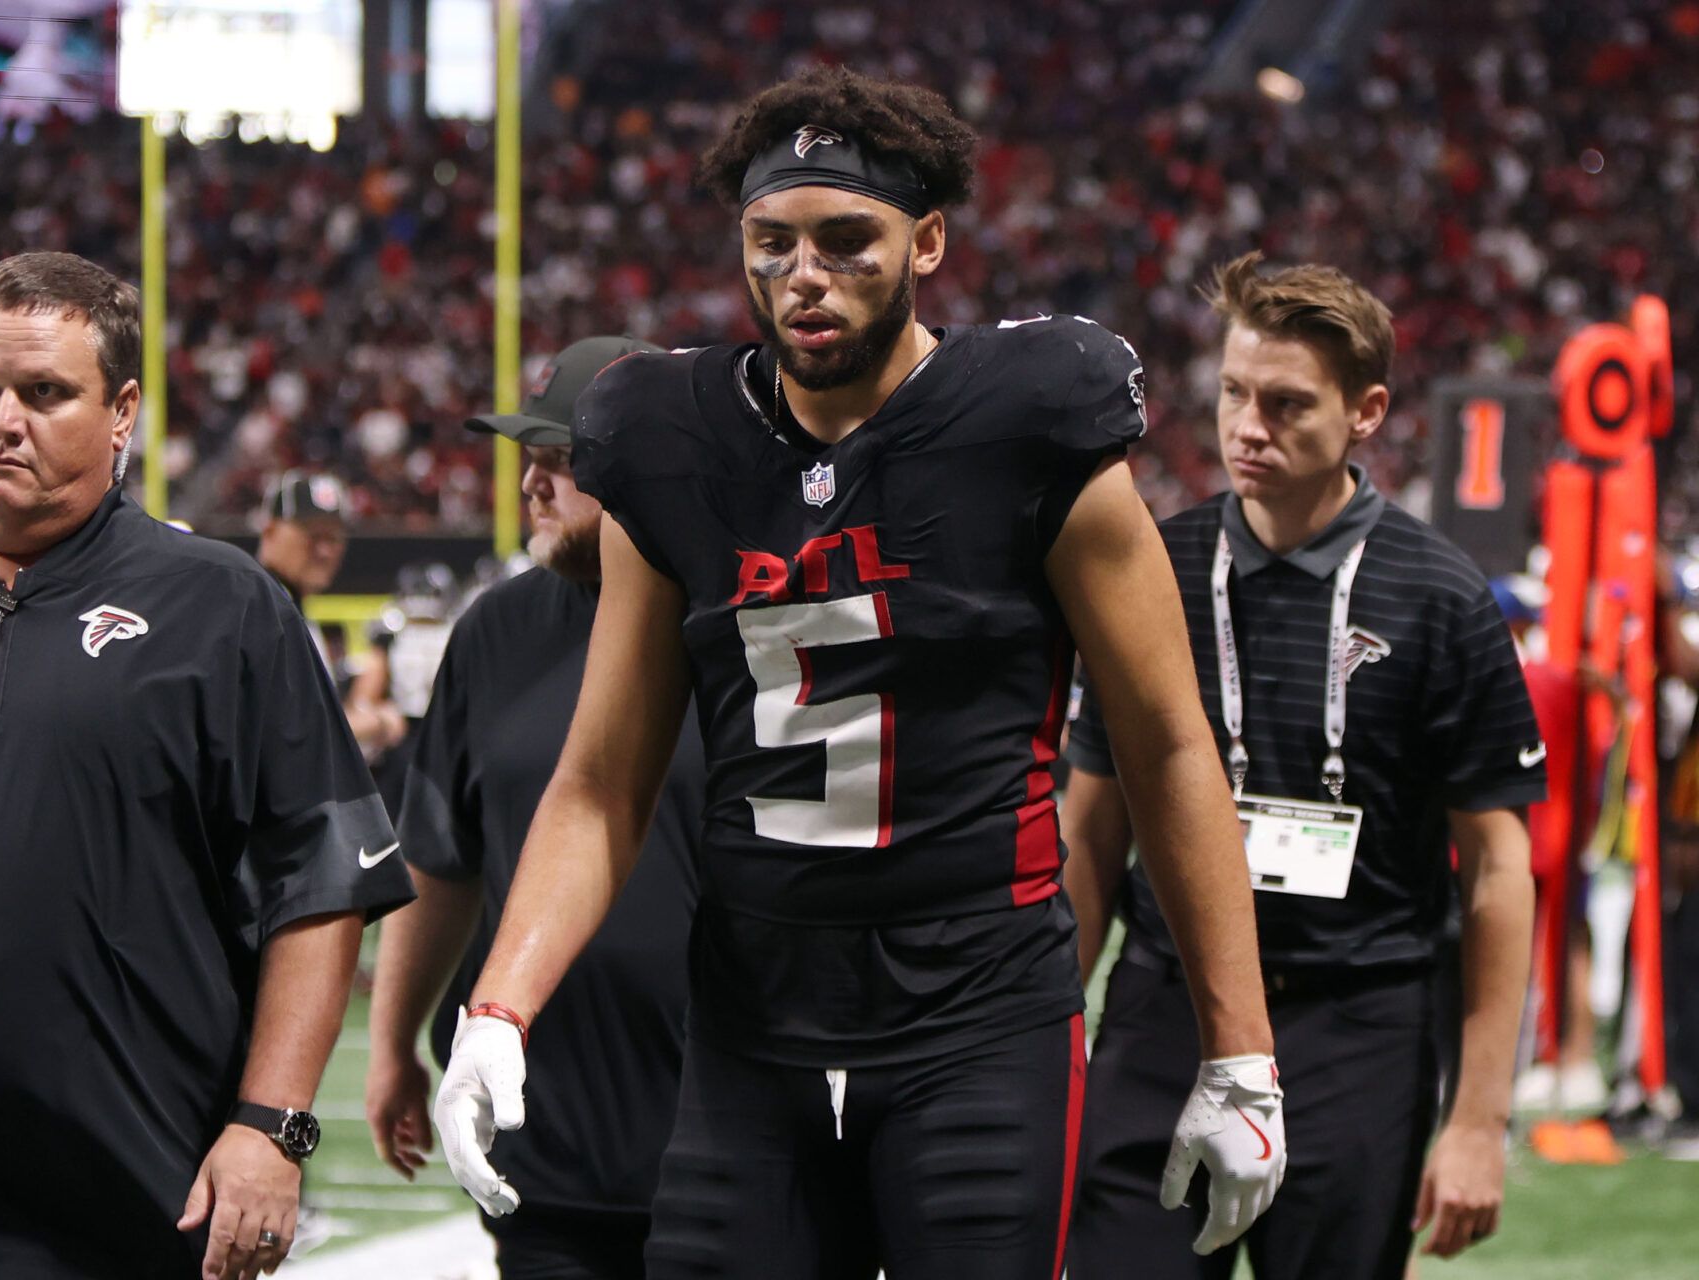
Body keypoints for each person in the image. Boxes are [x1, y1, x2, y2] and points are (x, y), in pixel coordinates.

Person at [431, 68, 1285, 1280]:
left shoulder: (1031, 422)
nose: (804, 276)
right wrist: (500, 1006)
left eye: (847, 240)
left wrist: (1238, 1047)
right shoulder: (668, 440)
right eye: (772, 242)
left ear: (928, 239)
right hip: (750, 1022)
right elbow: (604, 779)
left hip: (976, 1019)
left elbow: (1167, 744)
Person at [0, 252, 415, 1280]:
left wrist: (272, 1125)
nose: (3, 419)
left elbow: (321, 880)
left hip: (126, 1198)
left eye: (45, 392)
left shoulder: (225, 606)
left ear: (122, 412)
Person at [1061, 252, 1545, 1279]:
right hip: (1165, 1009)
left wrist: (1478, 1117)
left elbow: (1501, 870)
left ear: (1367, 410)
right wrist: (1038, 1048)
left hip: (1358, 1022)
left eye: (1286, 404)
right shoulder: (1155, 568)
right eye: (1235, 393)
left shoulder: (1443, 598)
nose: (1248, 426)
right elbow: (1091, 828)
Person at [365, 336, 704, 1278]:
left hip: (724, 1142)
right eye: (530, 460)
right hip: (544, 1140)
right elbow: (441, 857)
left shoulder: (735, 629)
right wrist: (395, 1041)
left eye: (565, 461)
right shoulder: (495, 632)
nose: (533, 485)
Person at [256, 471, 407, 768]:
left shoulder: (287, 604)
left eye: (334, 536)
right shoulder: (260, 608)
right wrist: (378, 722)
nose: (325, 550)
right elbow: (283, 737)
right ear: (270, 531)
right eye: (312, 535)